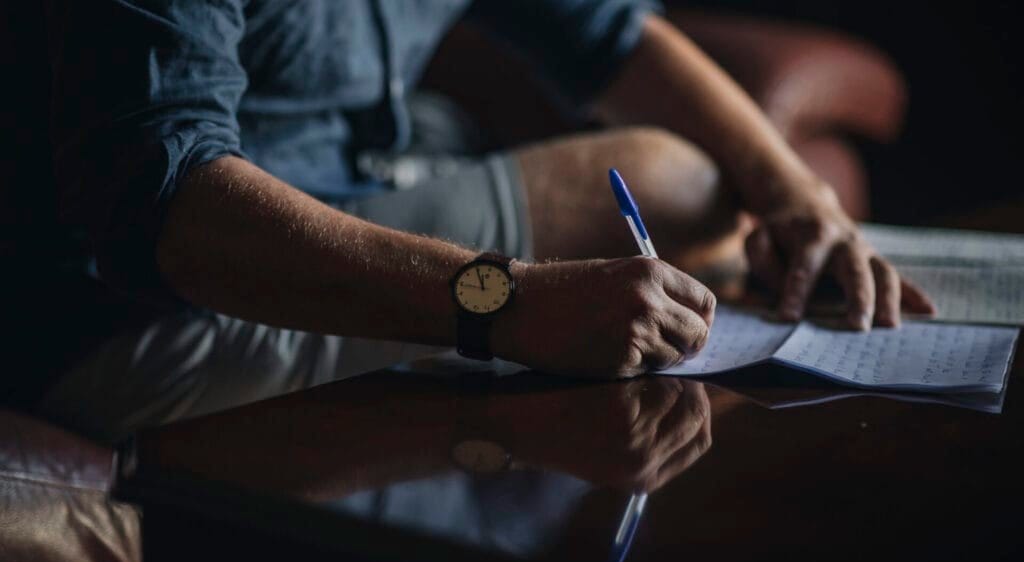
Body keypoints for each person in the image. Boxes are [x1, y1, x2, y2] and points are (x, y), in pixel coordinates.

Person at [28, 0, 932, 442]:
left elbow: (612, 35)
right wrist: (506, 302)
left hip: (352, 204)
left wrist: (798, 198)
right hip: (133, 324)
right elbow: (168, 209)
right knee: (670, 183)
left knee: (726, 191)